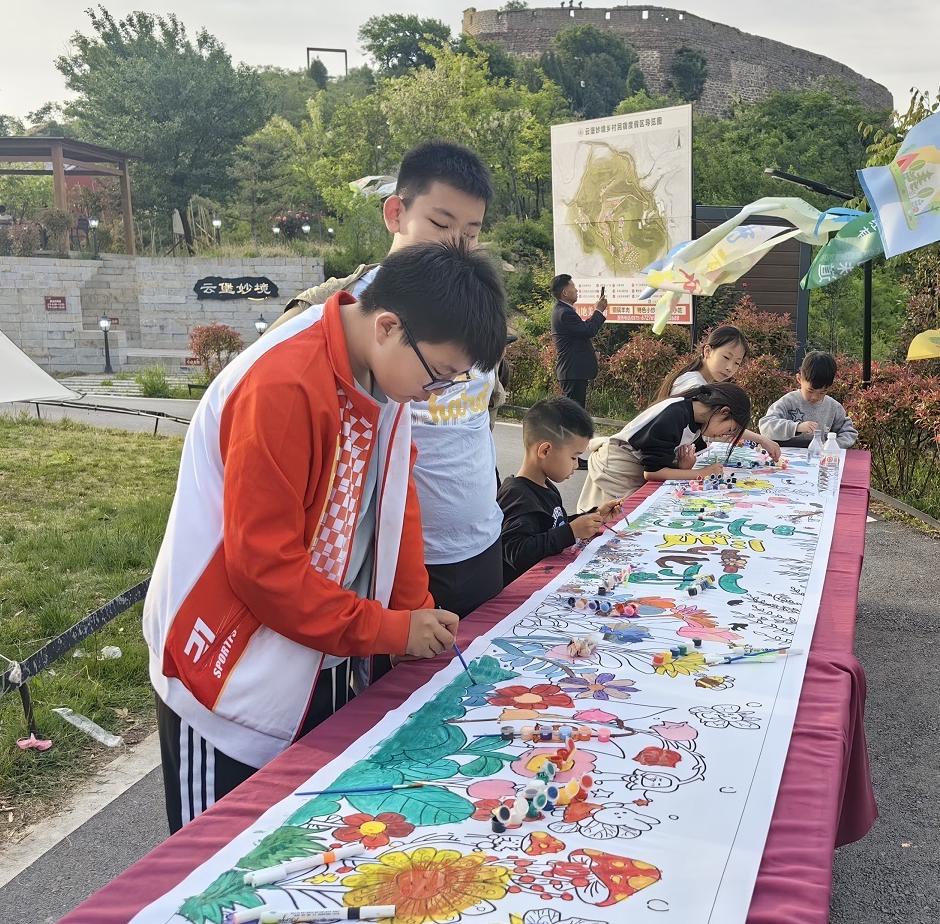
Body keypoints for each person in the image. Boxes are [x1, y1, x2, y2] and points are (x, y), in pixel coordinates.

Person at [143, 239, 508, 833]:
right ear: (388, 326)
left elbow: (396, 503)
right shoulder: (284, 384)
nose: (435, 395)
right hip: (226, 672)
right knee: (218, 858)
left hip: (317, 646)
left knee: (303, 841)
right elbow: (264, 571)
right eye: (439, 376)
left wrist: (414, 616)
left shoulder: (384, 375)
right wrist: (390, 630)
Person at [266, 141, 506, 619]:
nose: (456, 245)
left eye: (471, 232)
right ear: (395, 213)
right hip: (383, 557)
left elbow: (482, 413)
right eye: (441, 224)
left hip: (481, 541)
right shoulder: (330, 314)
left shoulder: (474, 307)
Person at [497, 396, 623, 584]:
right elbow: (515, 552)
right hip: (525, 589)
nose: (576, 465)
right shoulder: (516, 495)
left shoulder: (546, 487)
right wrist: (570, 532)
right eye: (573, 457)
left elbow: (554, 525)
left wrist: (594, 515)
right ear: (545, 450)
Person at [579, 382, 751, 507]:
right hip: (618, 467)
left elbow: (661, 461)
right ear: (724, 411)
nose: (723, 435)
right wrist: (701, 473)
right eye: (729, 429)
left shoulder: (698, 422)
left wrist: (682, 467)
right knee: (613, 518)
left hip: (633, 466)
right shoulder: (675, 414)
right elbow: (652, 472)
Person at [657, 325, 781, 459]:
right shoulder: (693, 385)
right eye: (726, 357)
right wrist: (761, 439)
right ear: (708, 351)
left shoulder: (704, 384)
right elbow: (719, 421)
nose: (729, 368)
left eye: (737, 363)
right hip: (658, 460)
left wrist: (760, 439)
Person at [760, 350, 859, 449]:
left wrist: (834, 444)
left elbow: (849, 432)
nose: (815, 397)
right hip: (786, 454)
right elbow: (765, 426)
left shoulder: (834, 407)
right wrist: (797, 427)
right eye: (810, 390)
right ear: (799, 379)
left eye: (822, 392)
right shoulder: (788, 402)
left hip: (819, 454)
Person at [550, 273, 606, 413]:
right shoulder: (565, 313)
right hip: (572, 372)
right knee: (572, 415)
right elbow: (588, 330)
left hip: (573, 372)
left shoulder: (563, 311)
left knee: (573, 414)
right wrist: (598, 311)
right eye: (573, 287)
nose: (576, 290)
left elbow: (583, 329)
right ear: (564, 292)